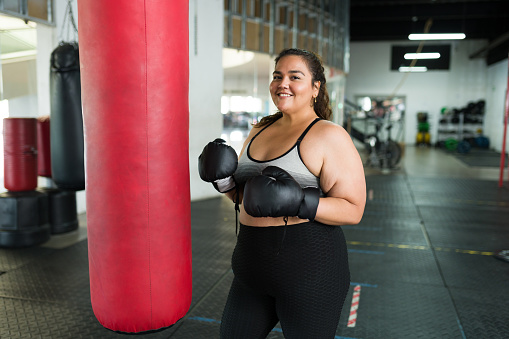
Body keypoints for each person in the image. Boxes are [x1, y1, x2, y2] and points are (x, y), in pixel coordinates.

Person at [199, 48, 366, 338]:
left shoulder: (328, 135)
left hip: (310, 270)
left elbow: (353, 209)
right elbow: (250, 198)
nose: (283, 83)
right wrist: (224, 182)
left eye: (295, 77)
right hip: (251, 267)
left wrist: (299, 202)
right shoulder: (260, 128)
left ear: (316, 88)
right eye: (278, 76)